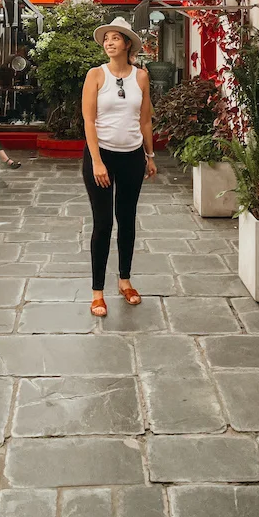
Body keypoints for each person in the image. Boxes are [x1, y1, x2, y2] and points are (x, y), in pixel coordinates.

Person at [81, 16, 157, 318]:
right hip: (102, 158)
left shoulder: (141, 77)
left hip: (132, 157)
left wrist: (150, 156)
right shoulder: (95, 75)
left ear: (127, 44)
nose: (109, 43)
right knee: (103, 224)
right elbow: (88, 120)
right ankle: (97, 292)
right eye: (106, 38)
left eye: (115, 38)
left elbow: (145, 119)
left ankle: (125, 280)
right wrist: (97, 160)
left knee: (127, 220)